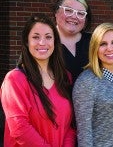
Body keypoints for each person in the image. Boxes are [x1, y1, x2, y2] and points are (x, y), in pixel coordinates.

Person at [1, 13, 76, 146]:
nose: (42, 42)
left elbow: (69, 126)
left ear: (55, 41)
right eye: (36, 37)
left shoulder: (65, 77)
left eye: (48, 37)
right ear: (26, 41)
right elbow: (20, 129)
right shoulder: (14, 80)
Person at [72, 23, 113, 146]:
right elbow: (84, 133)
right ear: (95, 49)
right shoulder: (86, 81)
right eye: (103, 44)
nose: (110, 48)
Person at [52, 0, 92, 81]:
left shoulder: (95, 42)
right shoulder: (43, 43)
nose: (74, 16)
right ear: (56, 12)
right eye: (69, 10)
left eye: (81, 13)